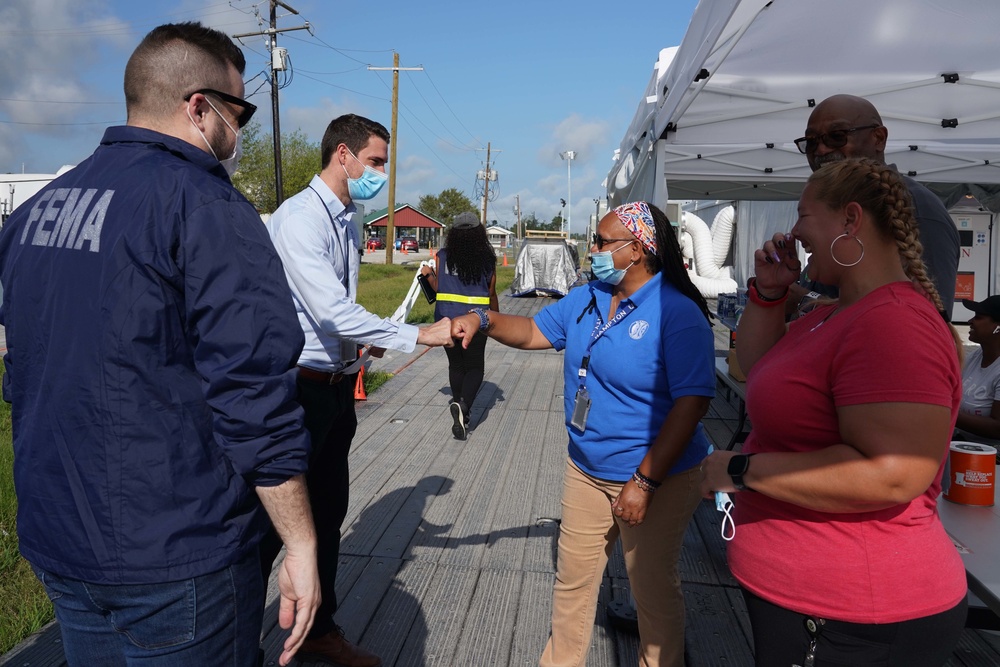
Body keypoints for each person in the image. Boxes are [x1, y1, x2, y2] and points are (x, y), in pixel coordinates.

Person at [0, 22, 318, 667]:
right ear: (199, 106)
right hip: (178, 552)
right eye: (241, 110)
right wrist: (302, 544)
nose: (241, 130)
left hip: (60, 534)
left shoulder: (39, 209)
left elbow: (22, 358)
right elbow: (253, 391)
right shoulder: (205, 207)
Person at [701, 159, 967, 666]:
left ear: (849, 220)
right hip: (812, 605)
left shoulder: (893, 324)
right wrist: (771, 291)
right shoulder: (836, 313)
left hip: (855, 616)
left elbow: (893, 474)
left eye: (803, 214)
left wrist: (739, 470)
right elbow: (758, 371)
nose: (794, 230)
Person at [452, 201, 715, 667]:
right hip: (586, 467)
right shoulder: (588, 296)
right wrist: (485, 319)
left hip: (656, 477)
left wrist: (644, 481)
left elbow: (692, 402)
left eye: (601, 242)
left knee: (651, 591)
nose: (590, 248)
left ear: (636, 250)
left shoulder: (676, 311)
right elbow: (534, 330)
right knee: (572, 581)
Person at [262, 113, 454, 666]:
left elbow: (336, 315)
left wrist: (357, 351)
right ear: (341, 155)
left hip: (337, 386)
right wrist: (418, 332)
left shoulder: (348, 217)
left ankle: (318, 630)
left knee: (326, 514)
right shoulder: (301, 218)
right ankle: (229, 639)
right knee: (269, 526)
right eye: (374, 162)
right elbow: (330, 310)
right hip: (298, 390)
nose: (379, 174)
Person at [790, 94, 960, 318]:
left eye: (836, 136)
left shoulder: (917, 209)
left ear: (878, 138)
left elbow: (924, 320)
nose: (820, 150)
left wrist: (802, 300)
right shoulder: (834, 205)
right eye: (811, 141)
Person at [419, 211, 499, 439]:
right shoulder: (487, 260)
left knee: (456, 366)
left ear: (454, 234)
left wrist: (427, 276)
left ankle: (457, 404)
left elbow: (437, 288)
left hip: (447, 319)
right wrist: (497, 320)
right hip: (477, 320)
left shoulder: (442, 256)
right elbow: (491, 292)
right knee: (474, 366)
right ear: (479, 234)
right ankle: (463, 408)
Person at [954, 295, 1000, 444]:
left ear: (998, 327)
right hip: (963, 443)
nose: (970, 322)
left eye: (978, 317)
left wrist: (946, 413)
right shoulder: (975, 356)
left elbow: (997, 428)